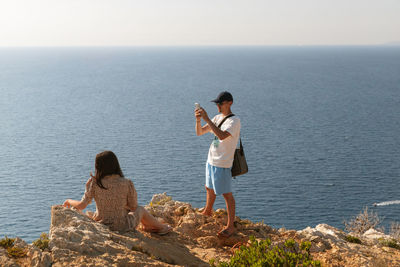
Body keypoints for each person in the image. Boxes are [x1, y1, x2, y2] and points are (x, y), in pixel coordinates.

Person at [63, 151, 172, 235]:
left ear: (98, 166)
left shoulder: (94, 183)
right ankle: (161, 228)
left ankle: (149, 226)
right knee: (141, 209)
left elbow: (82, 205)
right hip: (123, 226)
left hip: (102, 224)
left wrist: (68, 201)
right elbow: (134, 207)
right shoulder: (126, 183)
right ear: (116, 165)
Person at [195, 91, 241, 238]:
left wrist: (207, 119)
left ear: (229, 103)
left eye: (220, 103)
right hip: (211, 159)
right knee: (209, 188)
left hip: (223, 162)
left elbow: (221, 136)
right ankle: (208, 211)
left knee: (227, 195)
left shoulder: (234, 121)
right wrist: (198, 120)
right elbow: (200, 132)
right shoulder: (217, 118)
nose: (218, 106)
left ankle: (230, 226)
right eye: (217, 103)